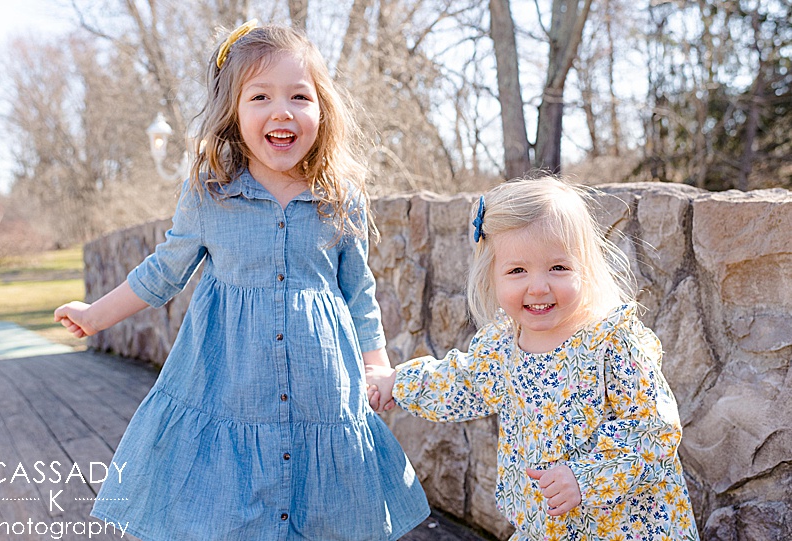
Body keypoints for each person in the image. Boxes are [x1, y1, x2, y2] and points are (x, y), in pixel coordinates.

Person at [55, 20, 429, 541]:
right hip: (230, 391)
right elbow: (163, 272)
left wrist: (376, 366)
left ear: (322, 110)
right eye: (260, 96)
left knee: (325, 513)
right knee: (232, 514)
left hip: (322, 392)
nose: (282, 110)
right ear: (233, 112)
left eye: (299, 96)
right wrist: (95, 315)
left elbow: (358, 291)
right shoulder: (210, 195)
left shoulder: (340, 198)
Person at [368, 176, 700, 540]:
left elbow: (654, 429)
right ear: (492, 276)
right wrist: (398, 382)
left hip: (624, 527)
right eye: (517, 271)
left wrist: (584, 477)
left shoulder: (611, 342)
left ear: (585, 267)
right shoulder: (503, 346)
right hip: (548, 527)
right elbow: (460, 382)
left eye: (558, 268)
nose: (539, 287)